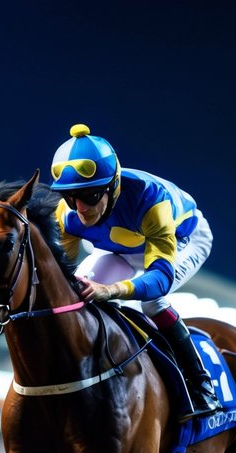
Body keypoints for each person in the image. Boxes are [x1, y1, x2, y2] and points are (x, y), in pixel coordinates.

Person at [50, 123, 222, 420]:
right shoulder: (68, 214)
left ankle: (201, 385)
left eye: (90, 196)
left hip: (182, 240)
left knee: (151, 301)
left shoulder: (150, 200)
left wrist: (113, 290)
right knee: (80, 290)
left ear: (112, 186)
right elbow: (61, 274)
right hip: (124, 244)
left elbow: (160, 277)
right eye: (70, 197)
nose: (81, 209)